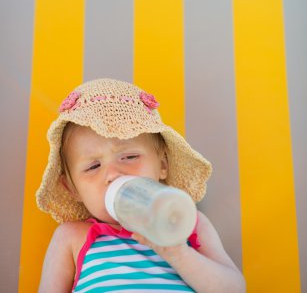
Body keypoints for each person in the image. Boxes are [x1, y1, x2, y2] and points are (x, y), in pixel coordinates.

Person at [37, 78, 246, 293]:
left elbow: (234, 289)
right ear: (72, 189)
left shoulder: (187, 222)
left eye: (129, 156)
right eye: (93, 166)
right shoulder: (72, 236)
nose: (112, 174)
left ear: (162, 165)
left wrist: (177, 252)